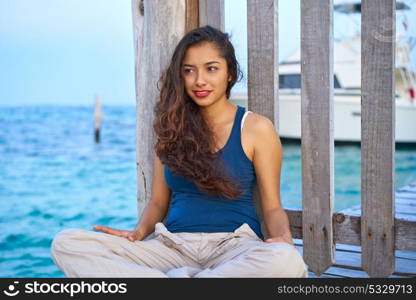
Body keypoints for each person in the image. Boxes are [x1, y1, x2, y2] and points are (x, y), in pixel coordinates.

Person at [51, 25, 308, 278]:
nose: (199, 81)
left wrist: (283, 238)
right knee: (66, 243)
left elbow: (272, 206)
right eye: (189, 71)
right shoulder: (171, 128)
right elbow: (158, 202)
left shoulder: (255, 128)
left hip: (233, 249)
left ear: (229, 73)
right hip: (171, 248)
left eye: (211, 69)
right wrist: (138, 233)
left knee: (286, 261)